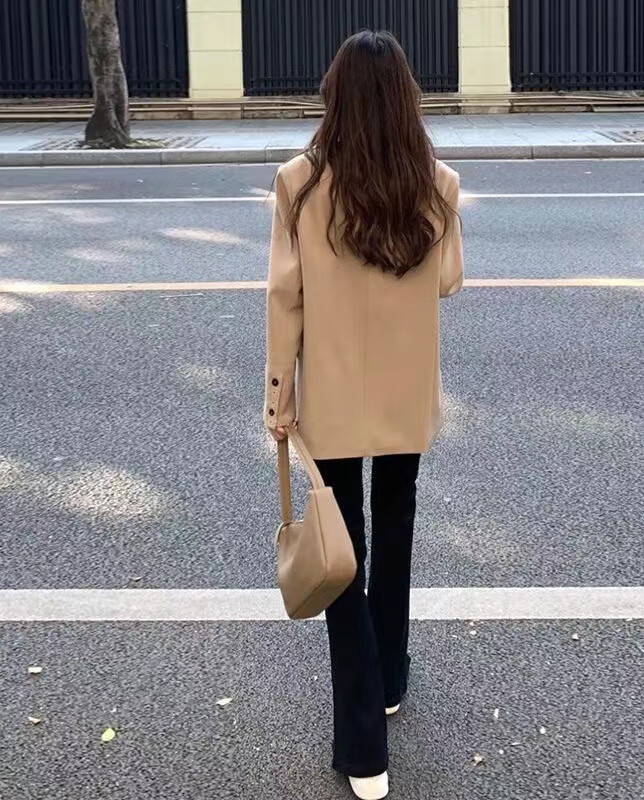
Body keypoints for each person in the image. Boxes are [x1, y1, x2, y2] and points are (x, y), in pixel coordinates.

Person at [263, 29, 464, 800]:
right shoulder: (436, 183)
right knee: (397, 522)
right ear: (406, 99)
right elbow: (447, 280)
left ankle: (363, 747)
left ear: (335, 96)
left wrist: (279, 396)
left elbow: (285, 298)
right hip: (406, 388)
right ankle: (392, 677)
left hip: (335, 389)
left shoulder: (300, 183)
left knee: (341, 548)